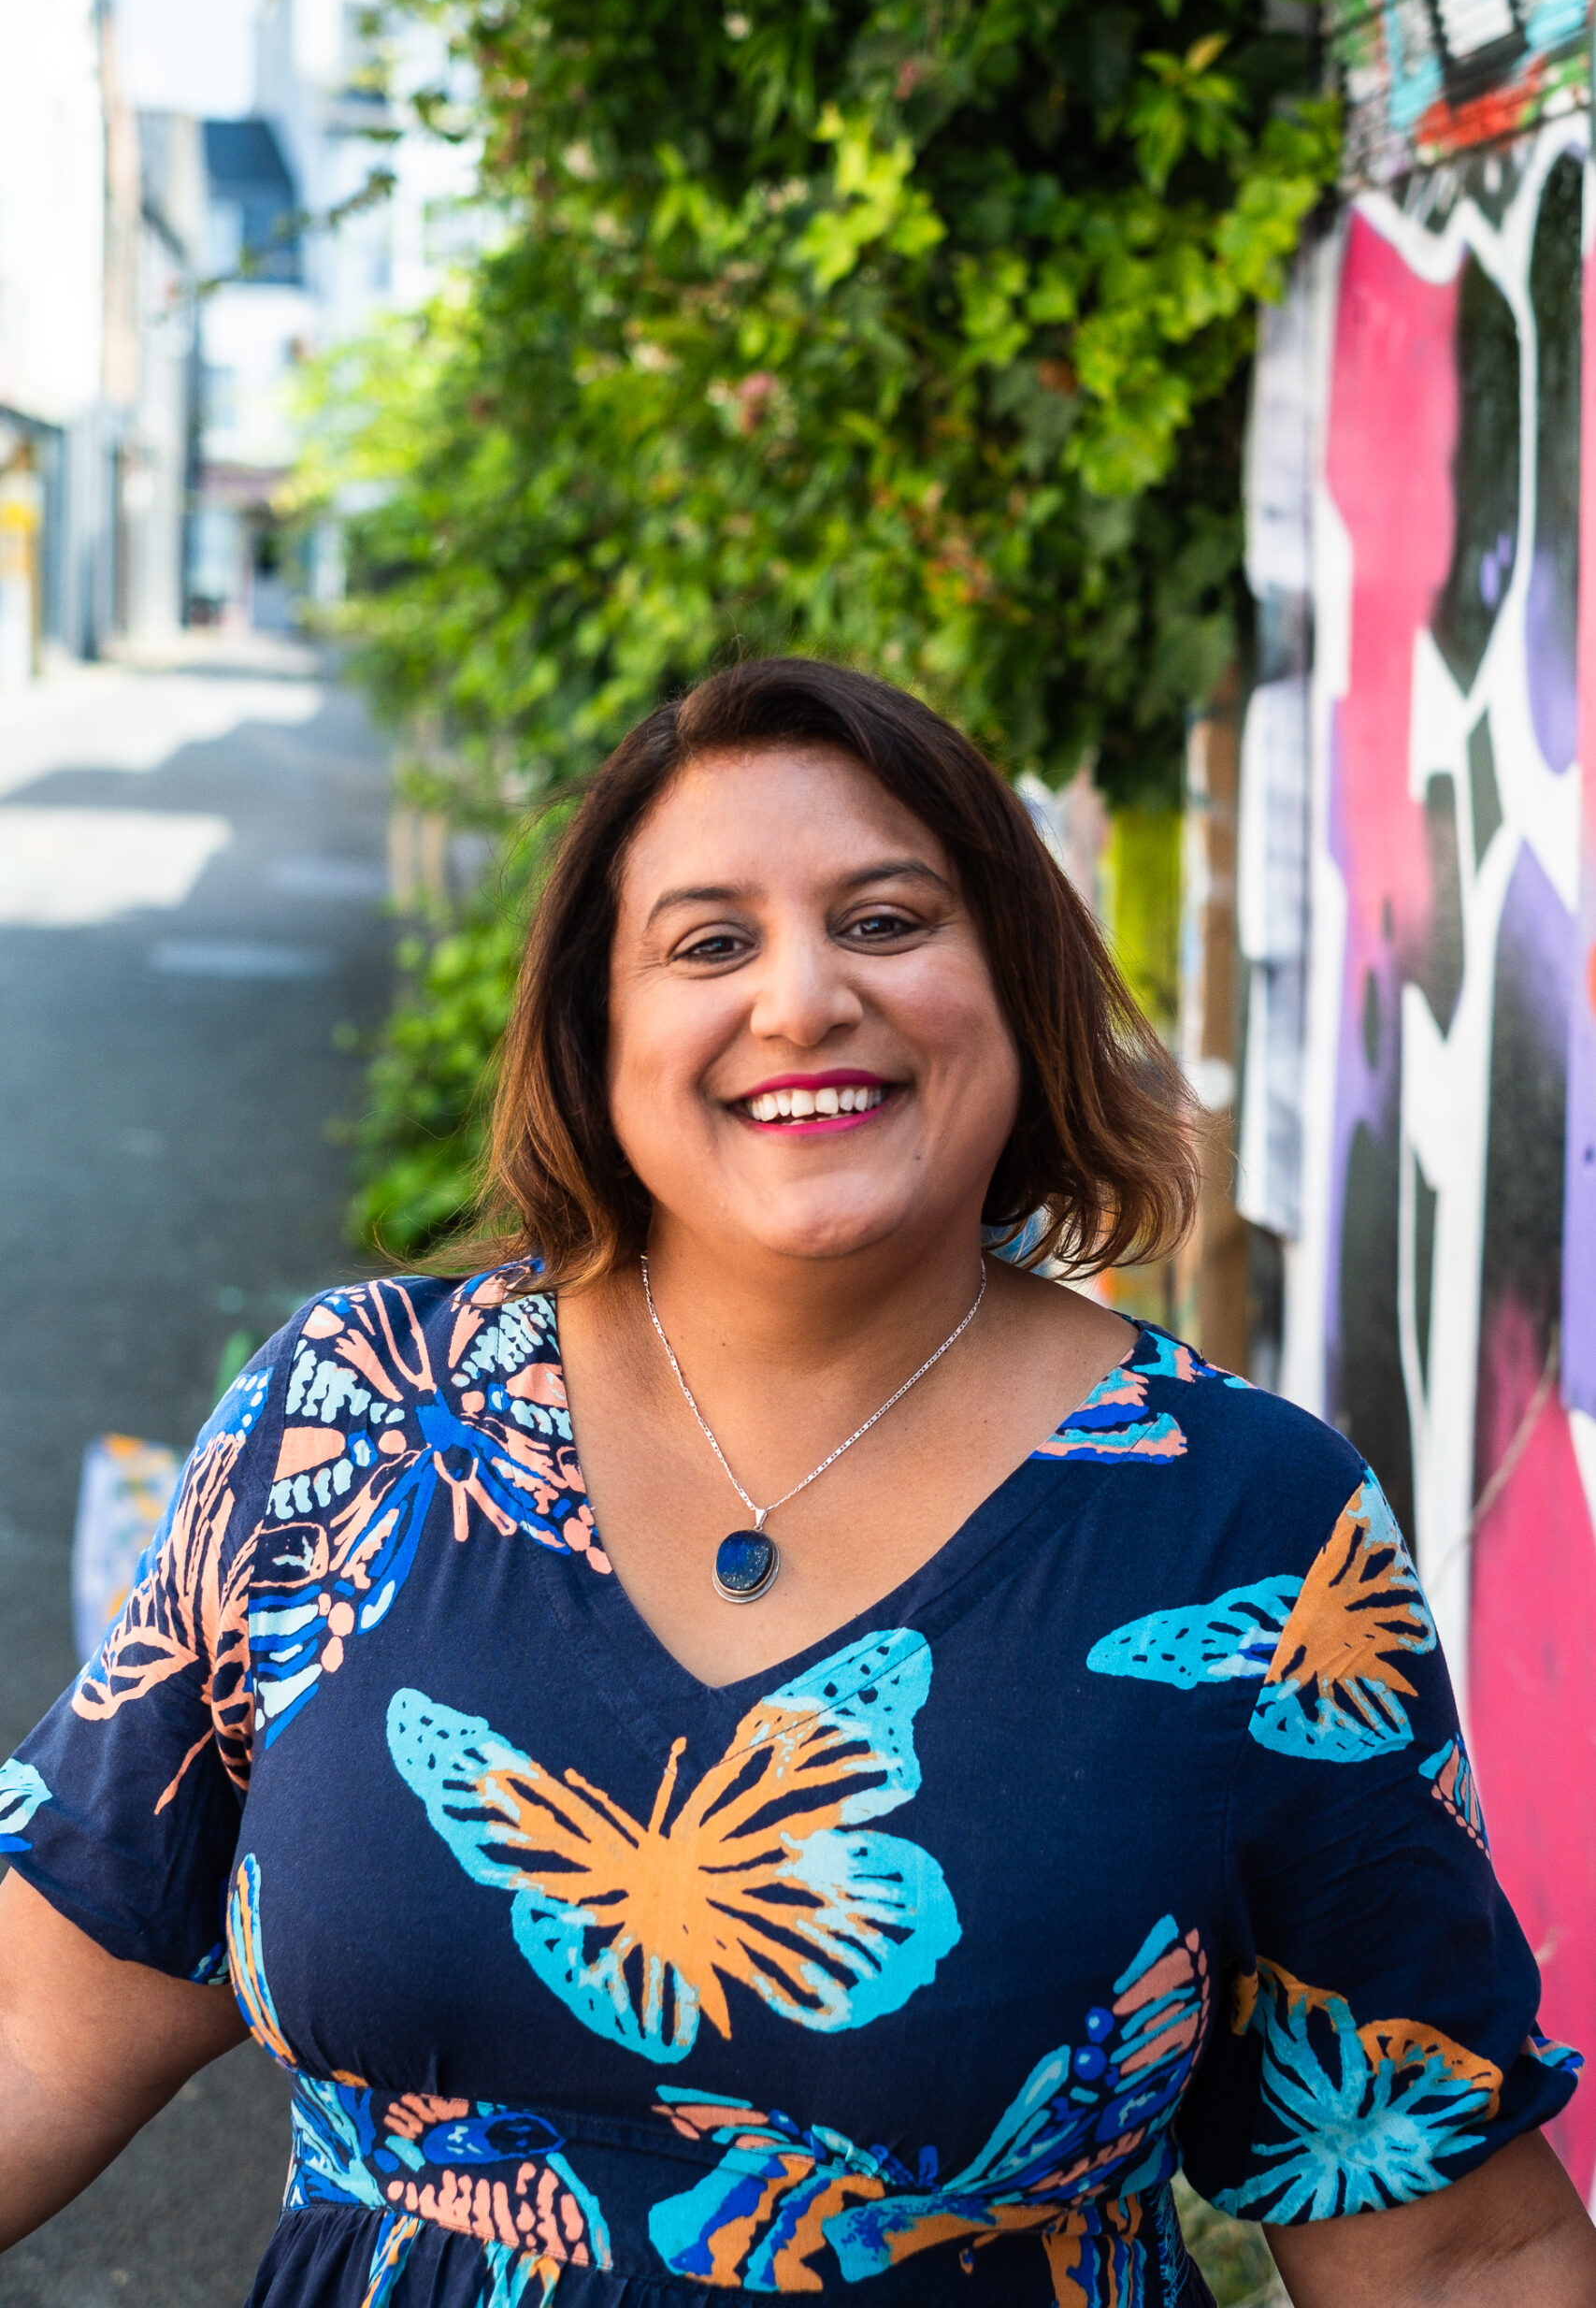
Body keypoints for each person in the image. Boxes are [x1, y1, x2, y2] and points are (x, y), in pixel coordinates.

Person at [0, 657, 1590, 2308]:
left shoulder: (1241, 1526)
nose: (804, 998)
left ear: (1018, 986)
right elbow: (41, 2023)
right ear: (597, 1031)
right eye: (708, 945)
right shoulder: (353, 1424)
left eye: (887, 922)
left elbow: (1455, 2251)